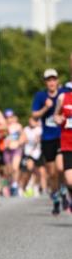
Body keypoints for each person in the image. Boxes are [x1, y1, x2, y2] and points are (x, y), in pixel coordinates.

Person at [31, 69, 66, 215]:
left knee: (61, 167)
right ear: (45, 82)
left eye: (54, 79)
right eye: (49, 80)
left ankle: (64, 189)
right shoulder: (40, 96)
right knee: (52, 172)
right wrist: (46, 107)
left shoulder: (63, 93)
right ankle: (56, 196)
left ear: (57, 81)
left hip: (62, 136)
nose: (51, 82)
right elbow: (34, 115)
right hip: (47, 138)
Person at [53, 85, 72, 213]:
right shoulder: (63, 97)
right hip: (67, 144)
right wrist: (58, 119)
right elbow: (55, 115)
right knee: (70, 180)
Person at [2, 109, 25, 196]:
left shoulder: (18, 126)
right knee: (9, 170)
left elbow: (23, 136)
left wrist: (19, 142)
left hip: (16, 149)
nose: (9, 119)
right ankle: (9, 184)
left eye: (11, 117)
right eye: (7, 117)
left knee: (15, 168)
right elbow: (0, 137)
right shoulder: (3, 126)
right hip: (6, 150)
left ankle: (15, 185)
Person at [20, 117, 43, 196]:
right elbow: (22, 139)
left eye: (33, 121)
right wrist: (22, 141)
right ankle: (27, 186)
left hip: (37, 153)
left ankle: (36, 186)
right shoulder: (26, 129)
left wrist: (38, 139)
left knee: (38, 172)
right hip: (28, 153)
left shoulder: (39, 129)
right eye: (30, 121)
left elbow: (38, 139)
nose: (31, 122)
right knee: (29, 168)